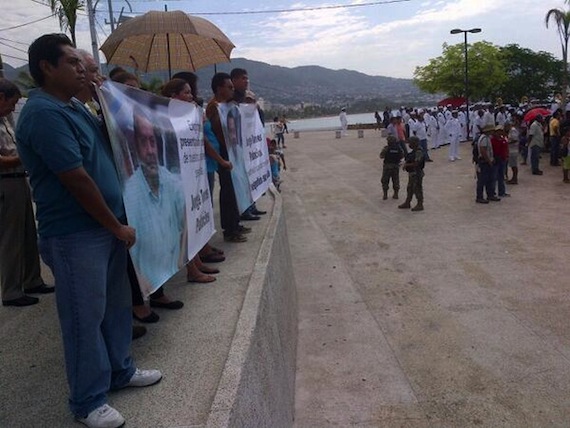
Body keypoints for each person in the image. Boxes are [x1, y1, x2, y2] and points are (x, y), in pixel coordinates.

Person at [16, 33, 161, 428]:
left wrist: (104, 101)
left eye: (84, 64)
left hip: (106, 230)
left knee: (114, 307)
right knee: (84, 318)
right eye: (73, 63)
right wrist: (115, 225)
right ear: (47, 67)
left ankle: (120, 370)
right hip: (76, 234)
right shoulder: (44, 113)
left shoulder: (75, 107)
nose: (83, 69)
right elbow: (75, 178)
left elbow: (113, 144)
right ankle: (87, 400)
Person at [0, 78, 53, 307]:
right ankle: (11, 291)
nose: (13, 108)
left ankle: (32, 279)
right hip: (5, 182)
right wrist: (25, 157)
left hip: (19, 180)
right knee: (11, 238)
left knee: (28, 233)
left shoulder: (5, 120)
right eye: (11, 103)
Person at [206, 72, 249, 243]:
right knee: (227, 191)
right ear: (219, 88)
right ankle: (229, 229)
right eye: (229, 87)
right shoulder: (213, 107)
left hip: (231, 151)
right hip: (222, 152)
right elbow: (217, 128)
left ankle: (235, 223)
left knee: (234, 188)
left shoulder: (225, 105)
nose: (232, 90)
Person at [398, 136, 425, 211]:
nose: (409, 144)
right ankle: (407, 202)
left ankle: (420, 204)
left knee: (417, 189)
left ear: (415, 143)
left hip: (417, 173)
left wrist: (406, 165)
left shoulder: (419, 151)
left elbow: (416, 163)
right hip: (412, 173)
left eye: (410, 143)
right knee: (410, 188)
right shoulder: (414, 150)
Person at [475, 124, 499, 204]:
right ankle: (480, 197)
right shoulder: (484, 139)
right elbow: (483, 151)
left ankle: (490, 194)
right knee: (482, 180)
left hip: (486, 161)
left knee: (489, 179)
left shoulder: (486, 138)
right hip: (484, 162)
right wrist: (489, 161)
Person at [379, 135, 404, 200]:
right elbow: (402, 156)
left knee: (385, 180)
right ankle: (396, 194)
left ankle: (385, 194)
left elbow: (381, 156)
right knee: (396, 180)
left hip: (387, 166)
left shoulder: (386, 148)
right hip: (395, 166)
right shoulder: (399, 148)